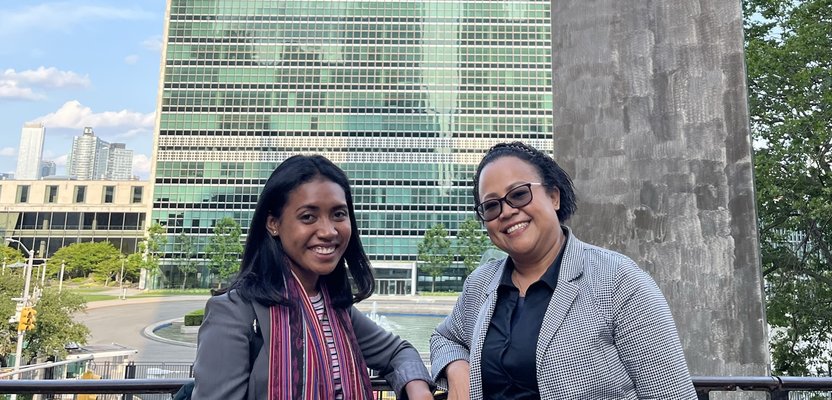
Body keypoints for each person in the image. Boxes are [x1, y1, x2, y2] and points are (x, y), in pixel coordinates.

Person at [430, 142, 697, 399]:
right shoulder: (480, 284)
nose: (507, 211)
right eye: (491, 206)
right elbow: (445, 338)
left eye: (519, 194)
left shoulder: (618, 281)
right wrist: (457, 370)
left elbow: (671, 393)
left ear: (554, 196)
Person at [192, 154, 434, 400]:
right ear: (273, 224)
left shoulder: (337, 311)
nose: (329, 231)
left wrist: (417, 388)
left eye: (339, 214)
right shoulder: (233, 313)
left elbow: (399, 353)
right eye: (308, 216)